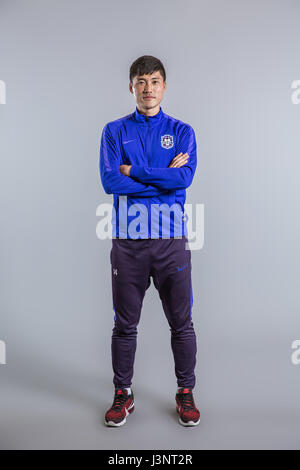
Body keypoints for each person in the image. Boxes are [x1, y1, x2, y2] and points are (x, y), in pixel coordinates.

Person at [99, 55, 200, 427]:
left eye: (155, 81)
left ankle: (185, 392)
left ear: (164, 87)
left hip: (170, 240)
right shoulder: (113, 131)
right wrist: (161, 179)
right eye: (141, 82)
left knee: (182, 323)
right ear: (131, 87)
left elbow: (184, 178)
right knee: (124, 325)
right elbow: (111, 182)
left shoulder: (183, 130)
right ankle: (122, 394)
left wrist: (135, 172)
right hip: (128, 241)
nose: (148, 89)